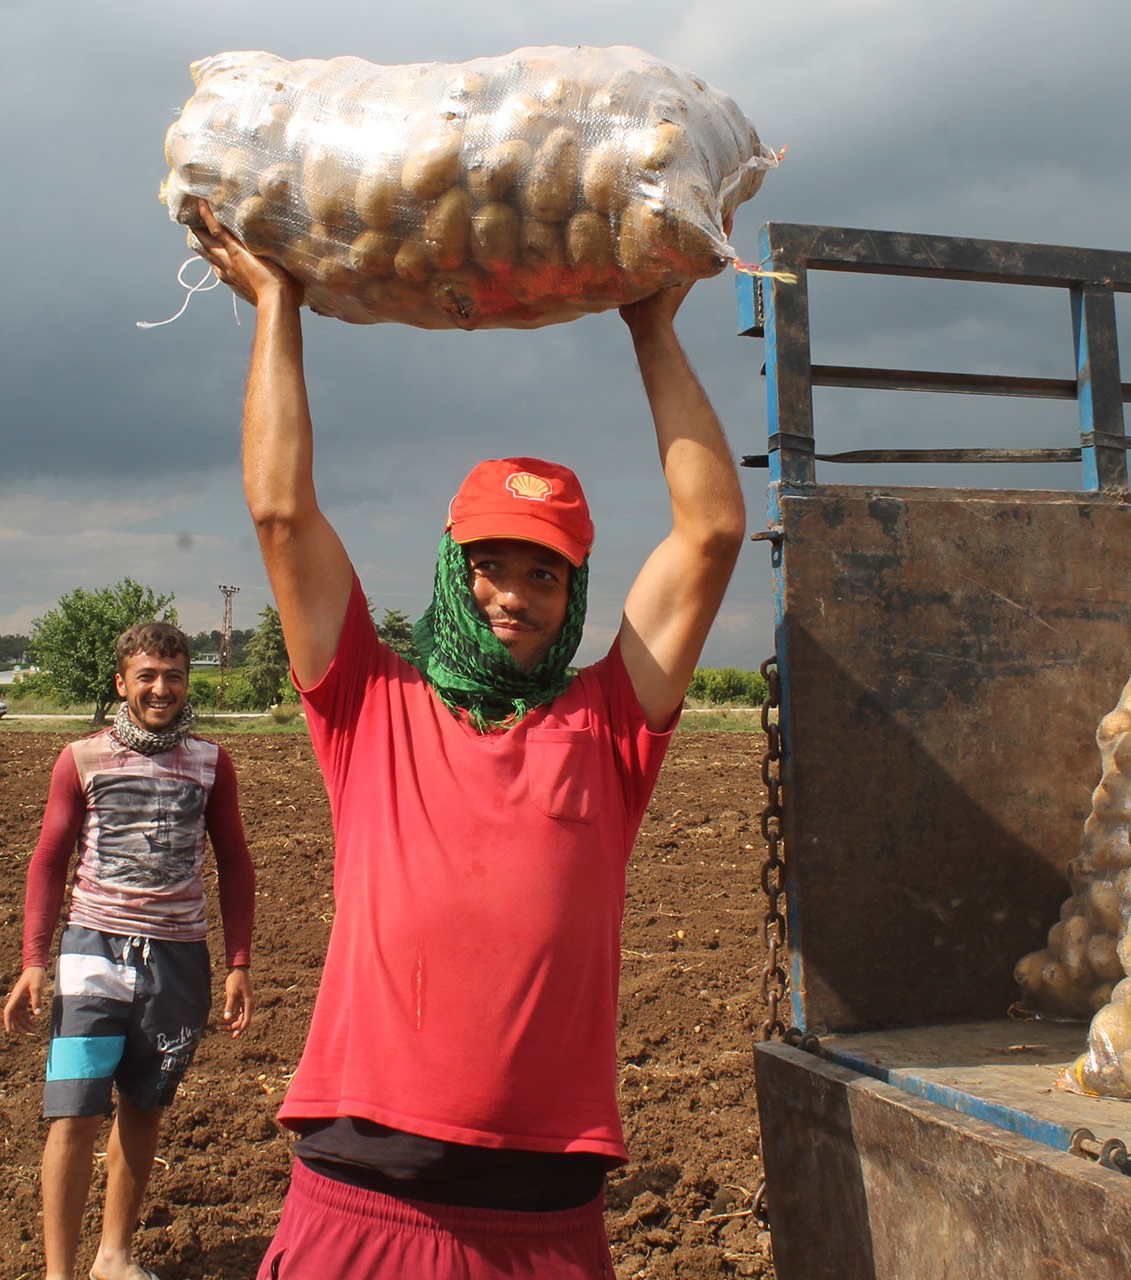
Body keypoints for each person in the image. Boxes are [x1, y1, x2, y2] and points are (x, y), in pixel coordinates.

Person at [194, 203, 745, 1279]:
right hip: (362, 1182)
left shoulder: (611, 722)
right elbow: (281, 513)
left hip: (544, 1206)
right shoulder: (366, 700)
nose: (515, 593)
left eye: (545, 572)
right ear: (455, 568)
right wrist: (276, 309)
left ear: (574, 590)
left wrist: (652, 332)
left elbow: (712, 532)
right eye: (492, 562)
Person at [2, 620, 256, 1280]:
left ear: (187, 682)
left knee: (145, 1108)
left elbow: (235, 863)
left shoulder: (210, 762)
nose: (161, 688)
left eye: (173, 676)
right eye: (147, 675)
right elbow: (49, 860)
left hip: (178, 961)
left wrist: (238, 965)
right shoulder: (81, 759)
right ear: (122, 683)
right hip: (92, 952)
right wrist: (34, 962)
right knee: (74, 1113)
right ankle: (60, 1274)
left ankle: (114, 1256)